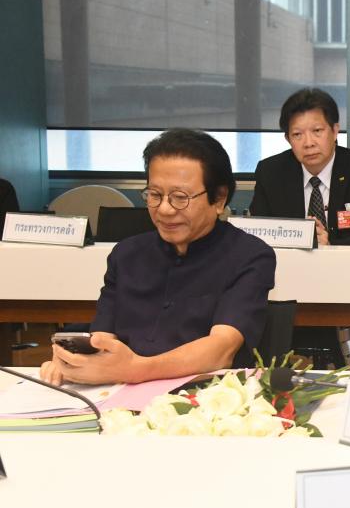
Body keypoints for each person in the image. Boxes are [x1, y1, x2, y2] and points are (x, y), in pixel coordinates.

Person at [40, 129, 276, 385]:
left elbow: (221, 351)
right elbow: (102, 339)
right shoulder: (126, 254)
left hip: (203, 396)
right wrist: (78, 362)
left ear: (218, 199)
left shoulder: (250, 256)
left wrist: (134, 370)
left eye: (179, 198)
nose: (164, 209)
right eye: (154, 195)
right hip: (120, 395)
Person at [249, 87, 350, 246]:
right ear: (288, 139)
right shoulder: (270, 173)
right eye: (297, 134)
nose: (308, 143)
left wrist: (329, 245)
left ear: (335, 131)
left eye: (317, 131)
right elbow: (257, 239)